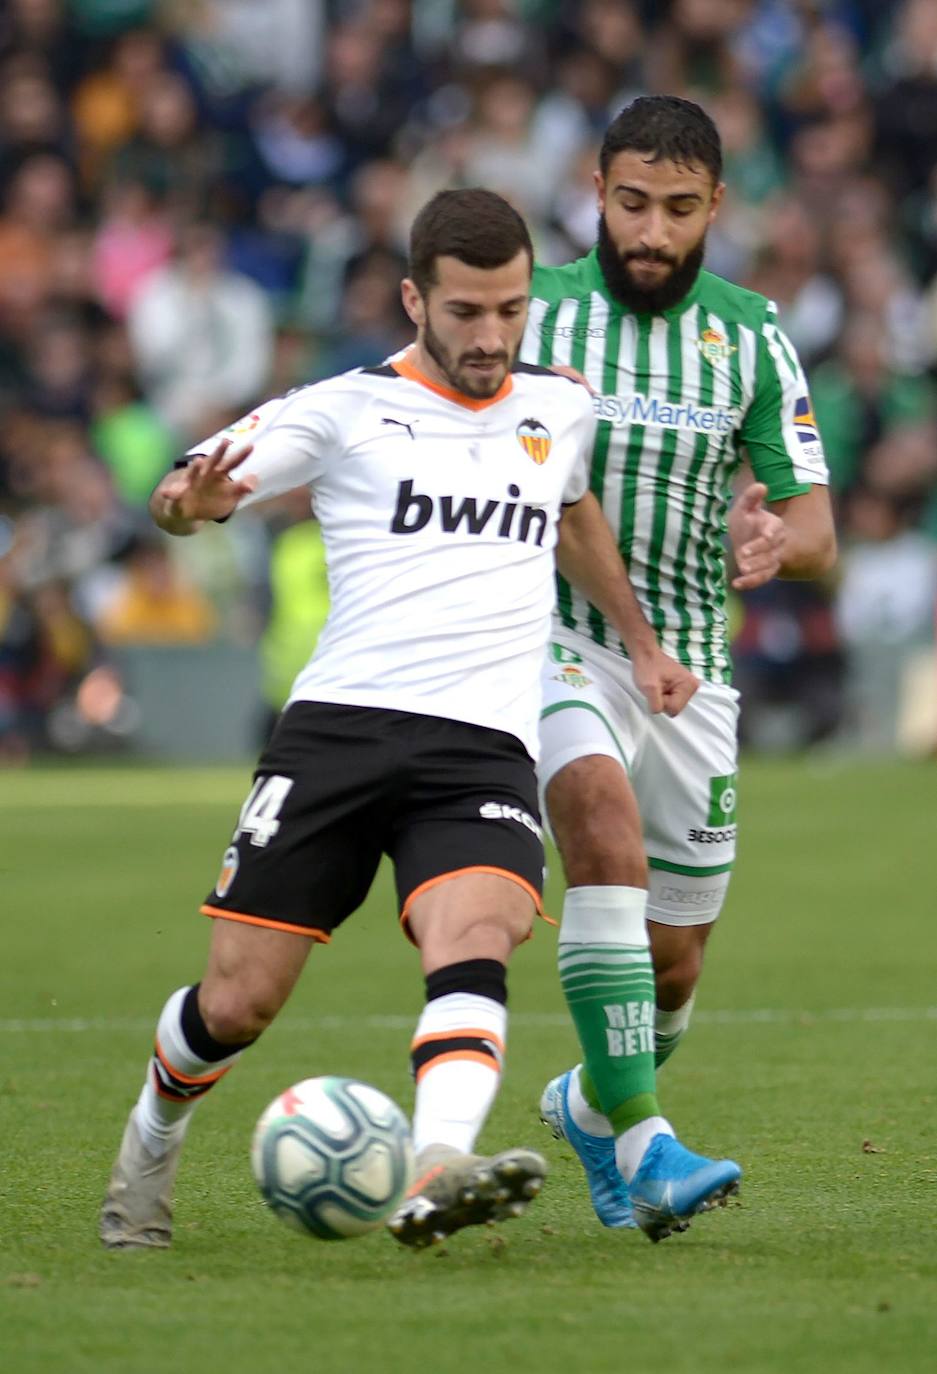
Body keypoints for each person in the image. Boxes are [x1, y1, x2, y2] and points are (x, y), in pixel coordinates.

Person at [99, 187, 734, 1254]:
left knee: (477, 937)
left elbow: (570, 509)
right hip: (338, 735)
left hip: (481, 747)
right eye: (466, 313)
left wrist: (636, 638)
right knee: (238, 1003)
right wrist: (192, 501)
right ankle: (151, 1138)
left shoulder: (557, 408)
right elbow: (186, 489)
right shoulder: (342, 409)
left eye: (510, 311)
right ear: (413, 300)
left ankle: (435, 1166)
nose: (491, 337)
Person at [522, 96, 836, 1230]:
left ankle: (591, 1105)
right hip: (550, 643)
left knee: (674, 969)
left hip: (692, 672)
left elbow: (815, 530)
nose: (651, 234)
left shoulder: (750, 333)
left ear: (716, 208)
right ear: (595, 188)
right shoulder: (532, 312)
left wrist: (774, 540)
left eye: (679, 211)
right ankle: (649, 1145)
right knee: (599, 829)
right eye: (631, 203)